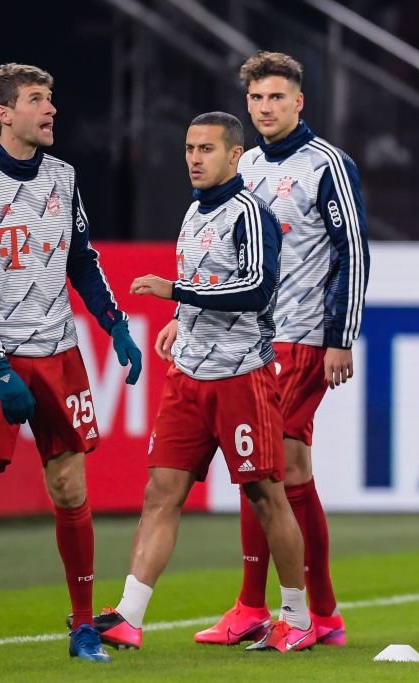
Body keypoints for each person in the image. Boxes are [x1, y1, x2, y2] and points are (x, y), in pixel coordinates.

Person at [157, 51, 370, 647]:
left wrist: (340, 336)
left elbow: (352, 251)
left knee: (280, 471)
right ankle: (272, 608)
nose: (265, 108)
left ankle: (309, 612)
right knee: (273, 473)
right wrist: (183, 312)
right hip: (250, 341)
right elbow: (213, 252)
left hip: (302, 338)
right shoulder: (240, 163)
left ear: (298, 102)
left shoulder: (327, 164)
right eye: (256, 99)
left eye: (276, 97)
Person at [0, 63, 141, 664]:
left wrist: (115, 324)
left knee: (70, 487)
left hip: (59, 354)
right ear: (4, 113)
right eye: (36, 100)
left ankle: (81, 628)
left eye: (51, 98)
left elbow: (82, 257)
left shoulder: (64, 176)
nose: (51, 109)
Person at [92, 112, 314, 654]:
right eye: (190, 147)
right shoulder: (194, 212)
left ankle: (298, 616)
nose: (194, 158)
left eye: (207, 149)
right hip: (189, 378)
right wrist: (180, 318)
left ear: (234, 156)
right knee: (160, 494)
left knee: (267, 495)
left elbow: (257, 290)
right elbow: (204, 284)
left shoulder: (251, 214)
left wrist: (176, 294)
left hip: (242, 378)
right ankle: (129, 615)